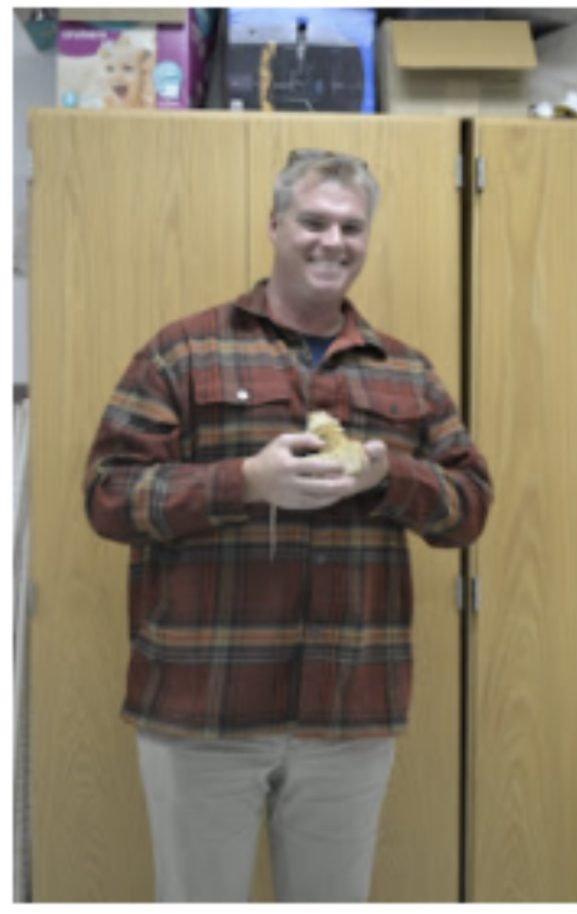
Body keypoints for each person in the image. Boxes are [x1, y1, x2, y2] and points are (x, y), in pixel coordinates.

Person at [84, 149, 492, 902]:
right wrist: (243, 481)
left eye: (350, 227)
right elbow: (108, 496)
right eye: (313, 222)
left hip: (349, 714)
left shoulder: (407, 373)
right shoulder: (184, 351)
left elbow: (470, 508)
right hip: (203, 710)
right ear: (275, 226)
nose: (331, 241)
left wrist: (390, 476)